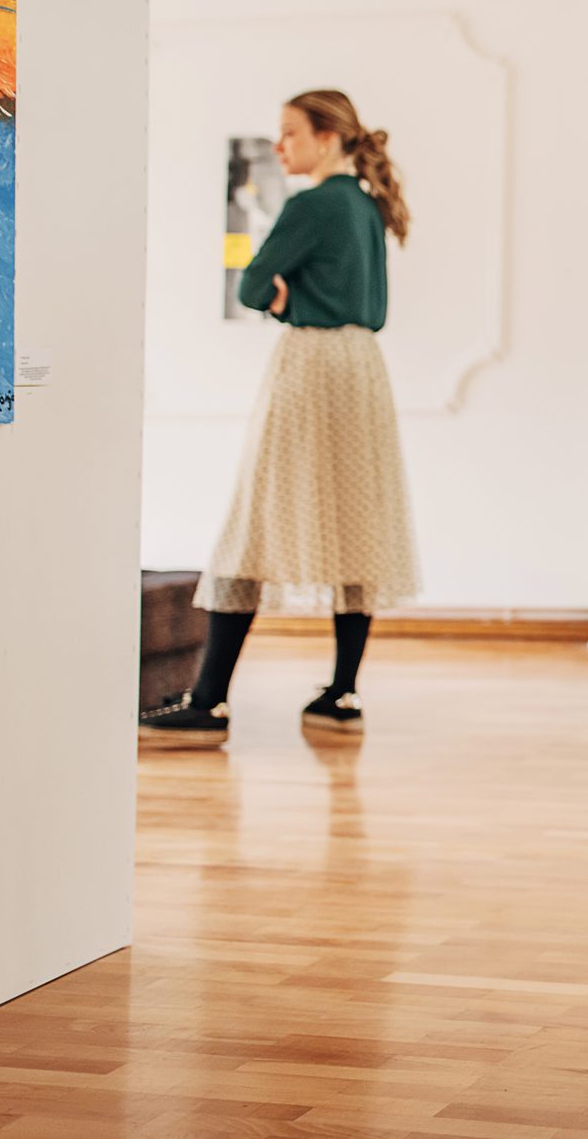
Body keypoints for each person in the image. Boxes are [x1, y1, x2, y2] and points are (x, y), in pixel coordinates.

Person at [139, 91, 420, 746]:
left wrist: (284, 298)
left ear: (327, 136)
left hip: (312, 366)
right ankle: (341, 693)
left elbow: (250, 285)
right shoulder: (366, 205)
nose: (280, 147)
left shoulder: (313, 203)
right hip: (363, 369)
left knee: (253, 521)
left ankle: (208, 702)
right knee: (359, 526)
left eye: (290, 133)